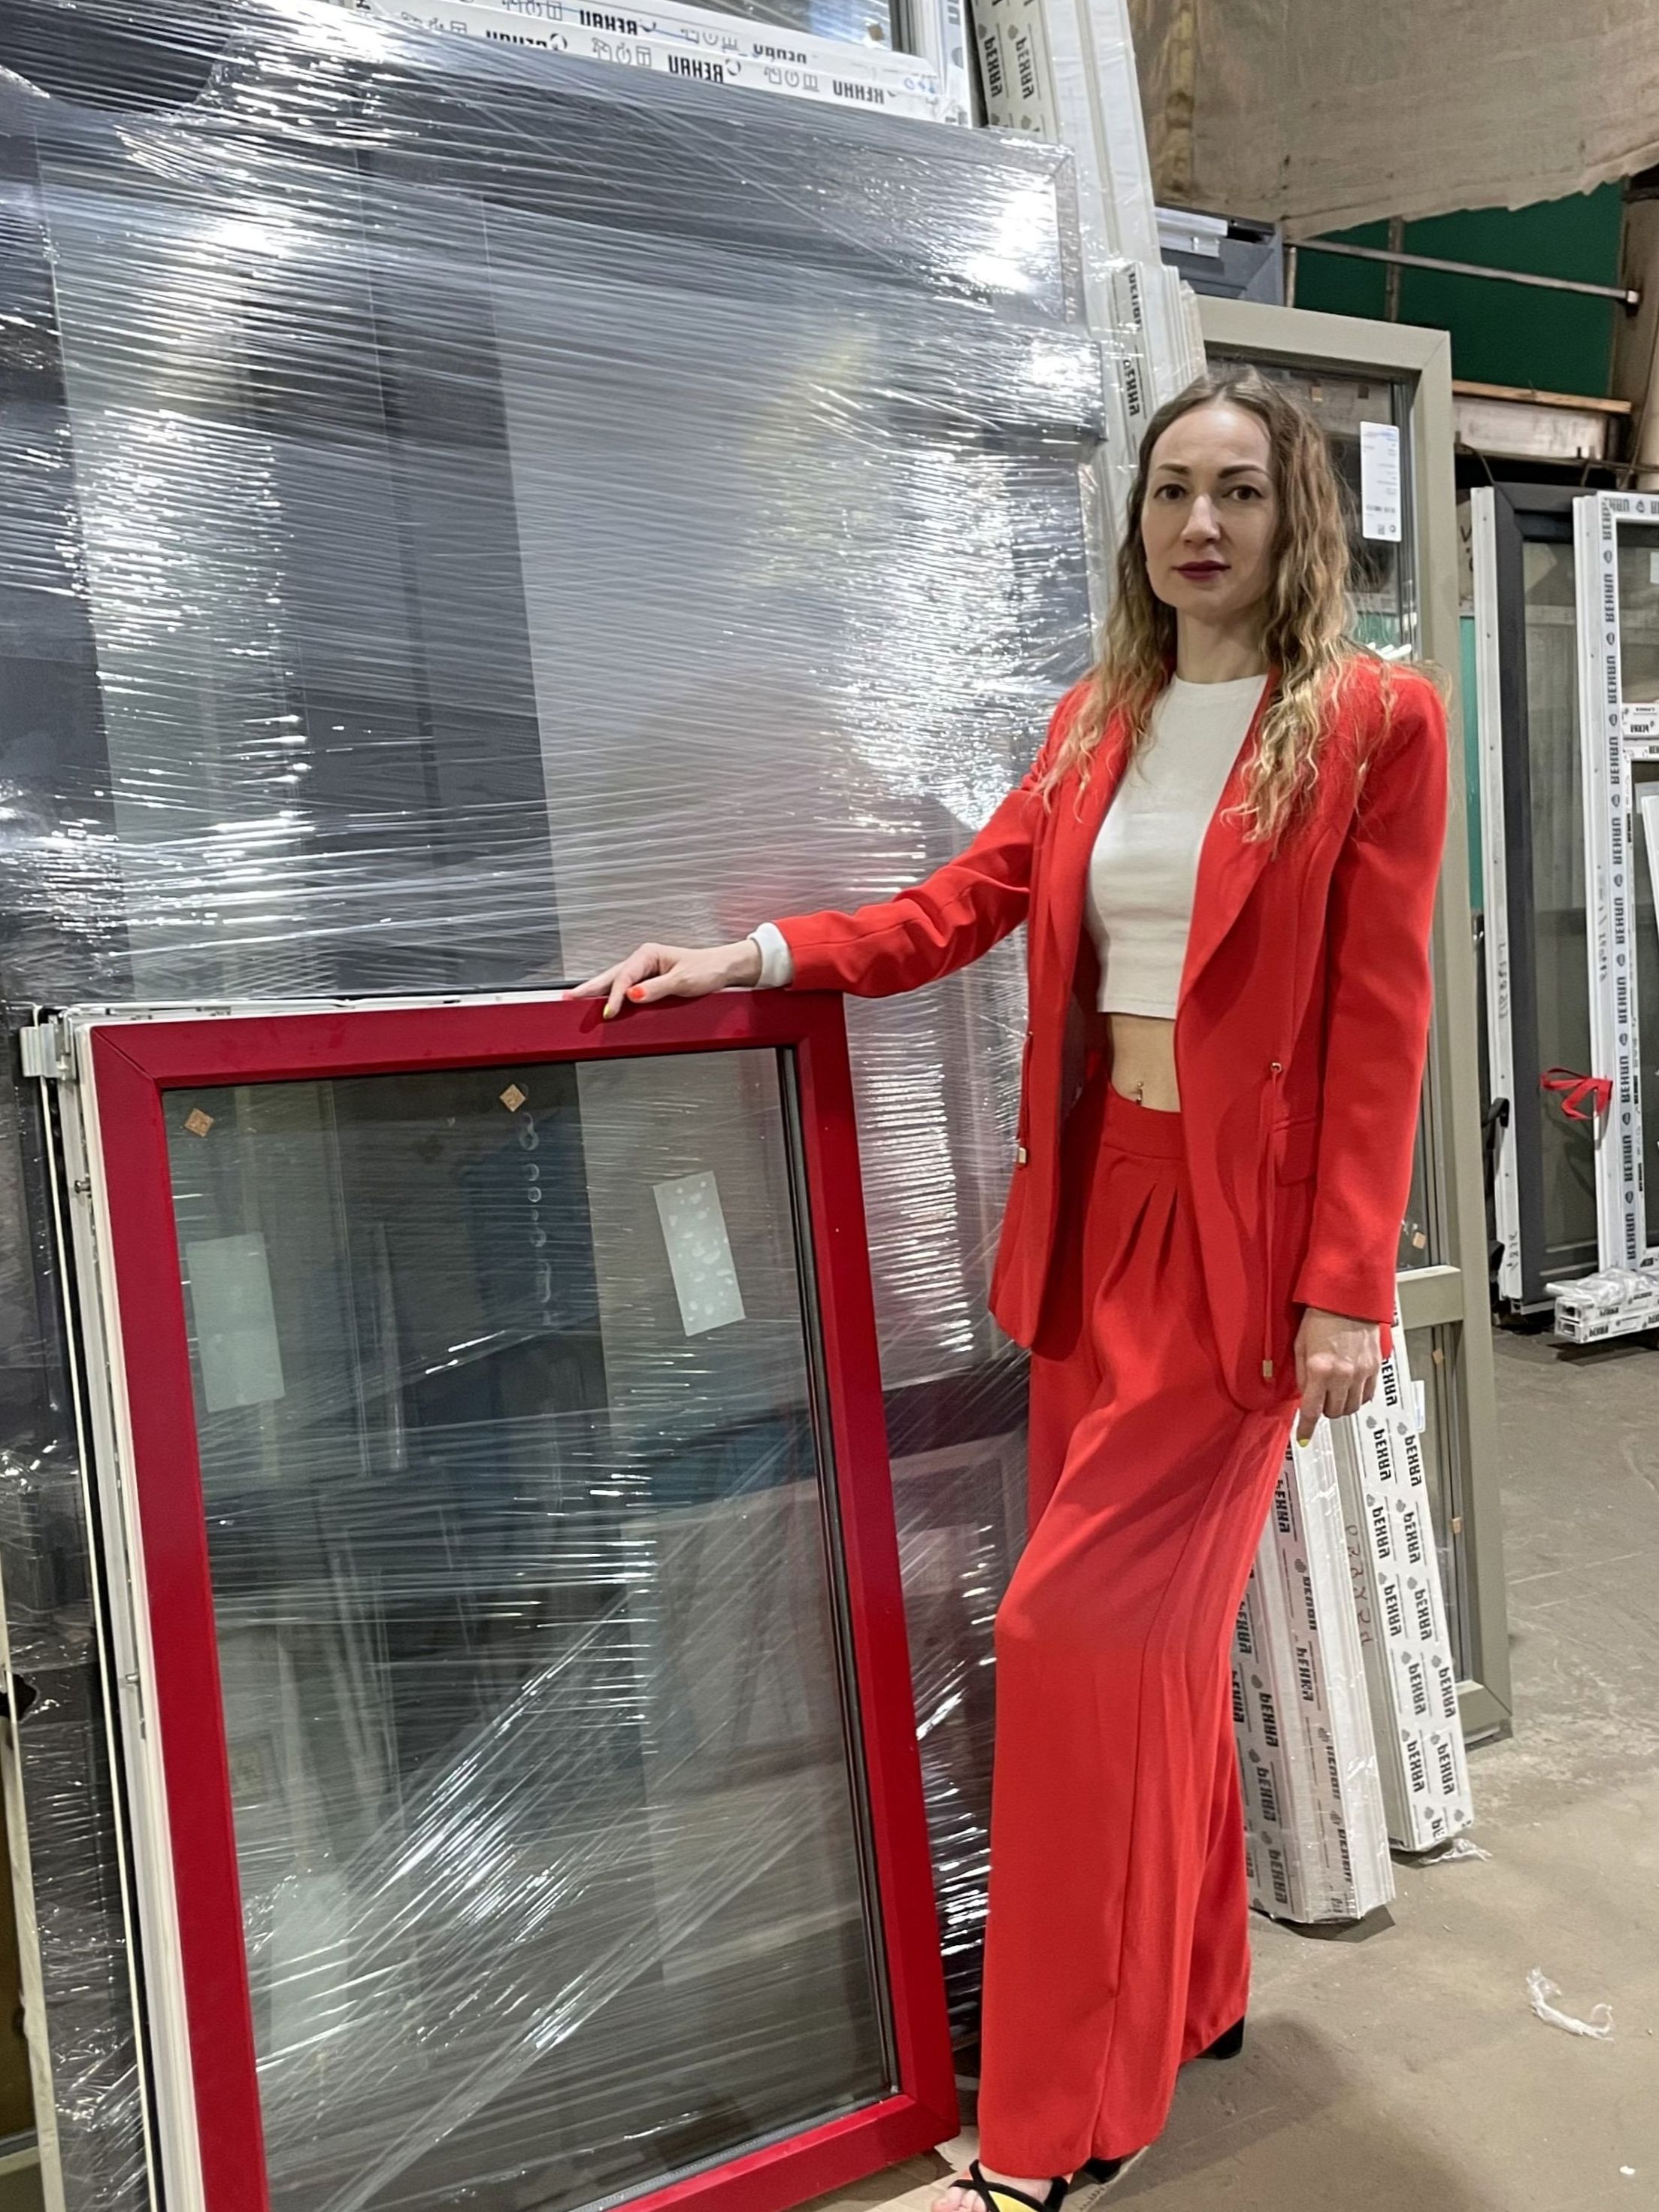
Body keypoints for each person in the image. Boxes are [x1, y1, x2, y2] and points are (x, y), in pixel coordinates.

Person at [573, 371, 1449, 2207]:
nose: (1199, 524)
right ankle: (1193, 1984)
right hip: (1091, 1233)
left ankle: (1066, 2117)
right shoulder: (1095, 718)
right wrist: (751, 954)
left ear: (1296, 518)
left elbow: (1381, 1016)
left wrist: (1346, 1287)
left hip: (1242, 1261)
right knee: (1144, 1657)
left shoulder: (1373, 721)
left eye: (1239, 492)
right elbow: (957, 906)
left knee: (1064, 1646)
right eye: (1171, 491)